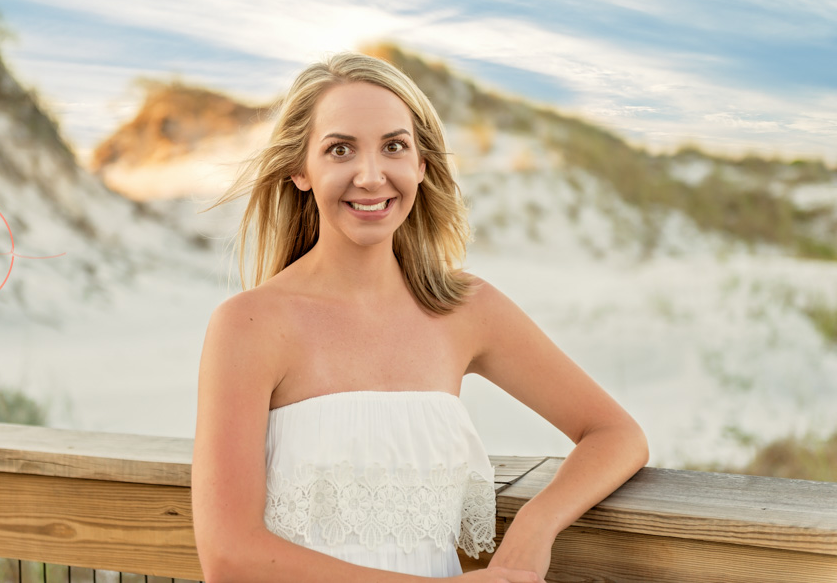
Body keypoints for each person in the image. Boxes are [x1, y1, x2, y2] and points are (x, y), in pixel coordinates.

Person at [192, 52, 649, 582]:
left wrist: (535, 525)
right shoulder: (249, 326)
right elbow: (229, 557)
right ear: (300, 169)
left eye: (394, 147)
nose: (370, 176)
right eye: (340, 149)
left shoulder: (466, 308)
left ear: (421, 166)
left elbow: (616, 434)